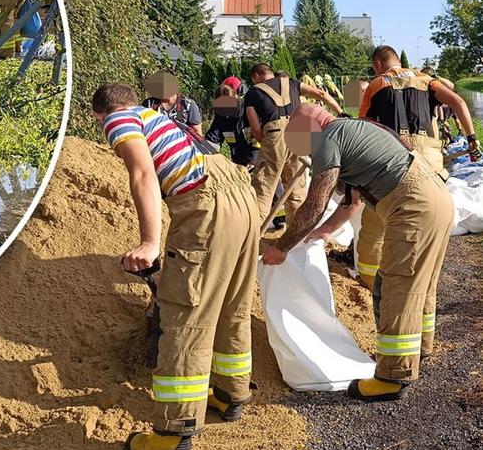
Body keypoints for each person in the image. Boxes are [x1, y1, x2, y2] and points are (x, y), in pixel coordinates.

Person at [92, 83, 259, 450]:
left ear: (100, 114)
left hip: (206, 201)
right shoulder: (162, 119)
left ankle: (173, 430)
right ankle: (232, 396)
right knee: (232, 303)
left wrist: (150, 243)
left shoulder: (119, 118)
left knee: (187, 315)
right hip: (241, 196)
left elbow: (142, 175)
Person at [262, 103, 453, 402]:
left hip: (413, 206)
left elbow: (315, 204)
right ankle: (420, 348)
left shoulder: (328, 138)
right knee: (421, 283)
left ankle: (393, 376)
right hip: (438, 200)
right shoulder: (356, 129)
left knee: (395, 287)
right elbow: (353, 201)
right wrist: (325, 232)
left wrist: (282, 247)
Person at [353, 45, 479, 297]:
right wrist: (472, 138)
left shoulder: (376, 85)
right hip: (430, 160)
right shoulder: (427, 81)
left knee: (375, 224)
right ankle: (421, 279)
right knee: (424, 219)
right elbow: (458, 101)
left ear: (378, 64)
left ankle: (370, 283)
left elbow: (363, 128)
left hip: (392, 160)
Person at [244, 63, 342, 225]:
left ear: (256, 77)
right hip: (300, 133)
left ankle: (250, 241)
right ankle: (296, 241)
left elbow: (255, 127)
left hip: (275, 135)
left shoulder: (253, 92)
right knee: (296, 191)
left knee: (263, 190)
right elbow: (320, 94)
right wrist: (340, 113)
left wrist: (270, 146)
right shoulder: (291, 83)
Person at [204, 84, 259, 168]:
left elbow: (259, 138)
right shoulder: (221, 116)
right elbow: (213, 139)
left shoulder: (249, 109)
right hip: (238, 161)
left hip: (260, 158)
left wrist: (252, 161)